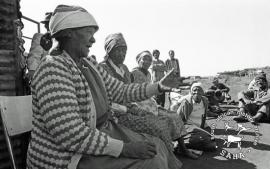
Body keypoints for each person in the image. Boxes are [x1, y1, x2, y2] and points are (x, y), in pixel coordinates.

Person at [26, 5, 183, 169]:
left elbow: (120, 91)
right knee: (152, 161)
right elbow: (71, 135)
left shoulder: (88, 63)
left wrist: (158, 86)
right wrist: (125, 149)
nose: (93, 40)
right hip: (66, 157)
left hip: (98, 134)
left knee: (157, 145)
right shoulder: (52, 69)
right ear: (69, 32)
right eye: (88, 33)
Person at [100, 33, 198, 159]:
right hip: (115, 113)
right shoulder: (103, 68)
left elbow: (130, 92)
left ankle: (175, 152)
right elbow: (111, 96)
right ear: (109, 50)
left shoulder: (124, 68)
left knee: (166, 118)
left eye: (124, 50)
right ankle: (170, 159)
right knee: (158, 125)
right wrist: (129, 108)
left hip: (132, 105)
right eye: (118, 50)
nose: (122, 54)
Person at [170, 82, 217, 152]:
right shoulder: (186, 103)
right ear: (191, 92)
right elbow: (177, 119)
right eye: (194, 90)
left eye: (199, 90)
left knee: (211, 144)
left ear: (202, 92)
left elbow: (203, 115)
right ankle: (180, 145)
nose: (196, 92)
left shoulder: (205, 101)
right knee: (207, 141)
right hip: (188, 127)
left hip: (200, 127)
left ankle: (185, 146)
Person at [26, 12, 52, 80]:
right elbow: (34, 55)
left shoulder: (62, 40)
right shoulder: (40, 37)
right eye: (47, 23)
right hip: (44, 75)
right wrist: (32, 70)